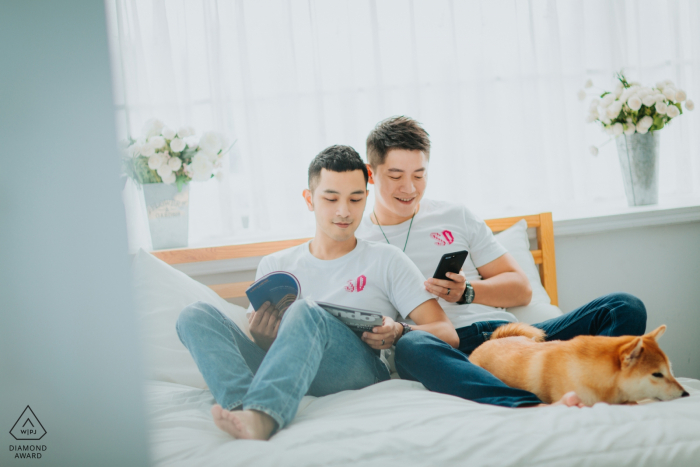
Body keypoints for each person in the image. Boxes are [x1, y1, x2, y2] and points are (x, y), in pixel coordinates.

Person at [355, 116, 647, 407]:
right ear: (371, 174)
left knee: (624, 306)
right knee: (411, 346)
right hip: (448, 350)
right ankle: (530, 402)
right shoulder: (360, 243)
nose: (410, 188)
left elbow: (521, 288)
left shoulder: (455, 216)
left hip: (513, 338)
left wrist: (467, 291)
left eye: (419, 175)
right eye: (396, 177)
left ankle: (588, 384)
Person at [175, 145, 458, 440]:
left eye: (356, 199)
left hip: (355, 370)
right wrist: (262, 337)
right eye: (331, 198)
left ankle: (264, 416)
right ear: (309, 200)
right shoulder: (275, 264)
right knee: (193, 315)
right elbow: (260, 344)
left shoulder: (386, 259)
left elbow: (447, 333)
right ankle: (241, 408)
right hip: (282, 368)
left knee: (305, 310)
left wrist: (399, 331)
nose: (344, 211)